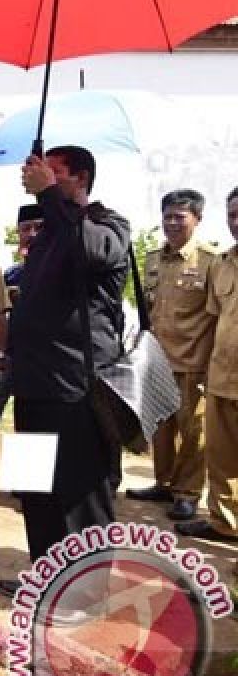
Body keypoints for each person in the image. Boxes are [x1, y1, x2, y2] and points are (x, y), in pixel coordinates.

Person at [0, 145, 129, 597]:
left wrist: (50, 196)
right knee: (39, 496)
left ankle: (87, 592)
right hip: (35, 384)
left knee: (80, 495)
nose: (37, 177)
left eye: (51, 171)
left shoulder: (107, 224)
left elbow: (91, 252)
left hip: (79, 388)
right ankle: (47, 579)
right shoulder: (49, 234)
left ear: (80, 177)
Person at [126, 189, 219, 522]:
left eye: (180, 216)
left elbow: (219, 313)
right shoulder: (153, 259)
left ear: (198, 219)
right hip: (157, 359)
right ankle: (164, 482)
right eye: (167, 216)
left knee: (194, 431)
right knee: (160, 428)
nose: (171, 223)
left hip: (194, 360)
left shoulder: (212, 261)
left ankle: (188, 493)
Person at [175, 188, 238, 545]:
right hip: (221, 377)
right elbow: (214, 322)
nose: (236, 222)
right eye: (232, 214)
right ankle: (224, 523)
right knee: (222, 462)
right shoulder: (222, 264)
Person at [0, 205, 44, 428]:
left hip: (41, 360)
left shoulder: (56, 271)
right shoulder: (12, 274)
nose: (31, 234)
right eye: (25, 228)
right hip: (11, 355)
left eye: (39, 228)